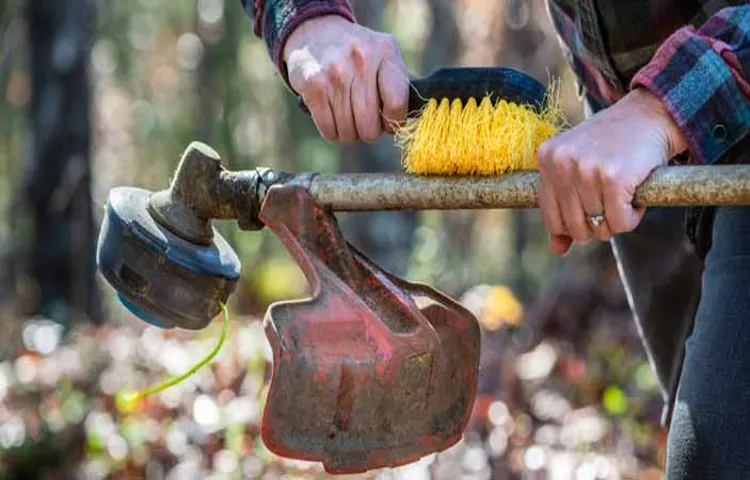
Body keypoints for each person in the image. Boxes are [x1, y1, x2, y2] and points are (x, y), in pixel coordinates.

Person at [242, 0, 750, 477]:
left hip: (681, 120)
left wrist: (661, 109)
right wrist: (311, 21)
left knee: (713, 455)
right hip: (628, 157)